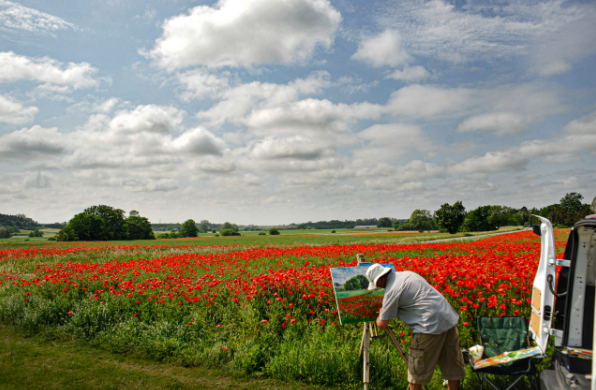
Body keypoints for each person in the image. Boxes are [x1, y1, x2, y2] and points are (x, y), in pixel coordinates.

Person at [366, 263, 465, 390]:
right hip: (448, 318)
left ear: (380, 279)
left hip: (429, 325)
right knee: (452, 365)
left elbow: (381, 324)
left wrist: (381, 312)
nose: (376, 288)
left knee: (416, 371)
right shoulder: (408, 275)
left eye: (376, 284)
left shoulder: (391, 289)